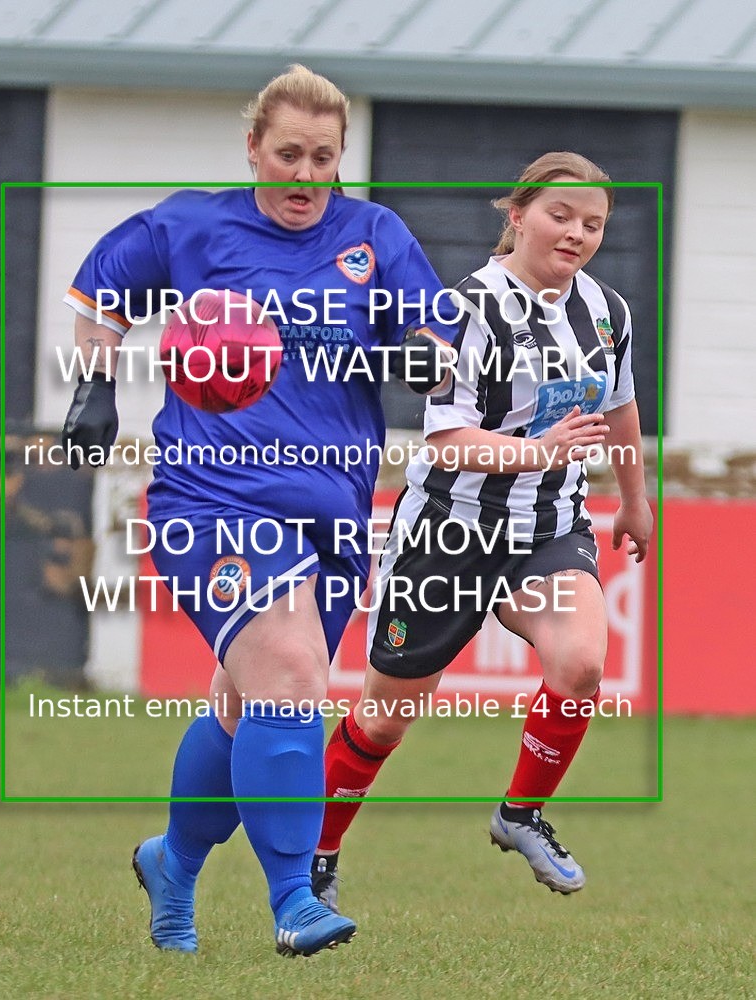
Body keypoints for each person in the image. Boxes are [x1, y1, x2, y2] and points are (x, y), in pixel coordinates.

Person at [60, 65, 455, 957]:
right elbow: (97, 295)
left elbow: (429, 326)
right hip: (213, 501)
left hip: (332, 512)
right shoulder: (191, 224)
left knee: (246, 705)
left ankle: (175, 862)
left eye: (324, 158)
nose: (305, 176)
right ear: (252, 149)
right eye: (288, 155)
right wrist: (93, 387)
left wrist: (428, 356)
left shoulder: (373, 235)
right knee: (293, 681)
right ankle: (293, 899)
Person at [311, 151, 654, 907]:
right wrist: (538, 450)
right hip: (449, 533)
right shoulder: (460, 310)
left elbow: (621, 406)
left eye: (591, 224)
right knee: (383, 719)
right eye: (559, 215)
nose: (575, 234)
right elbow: (444, 440)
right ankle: (319, 855)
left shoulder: (606, 311)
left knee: (581, 662)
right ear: (517, 213)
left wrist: (634, 498)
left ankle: (520, 813)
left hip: (547, 527)